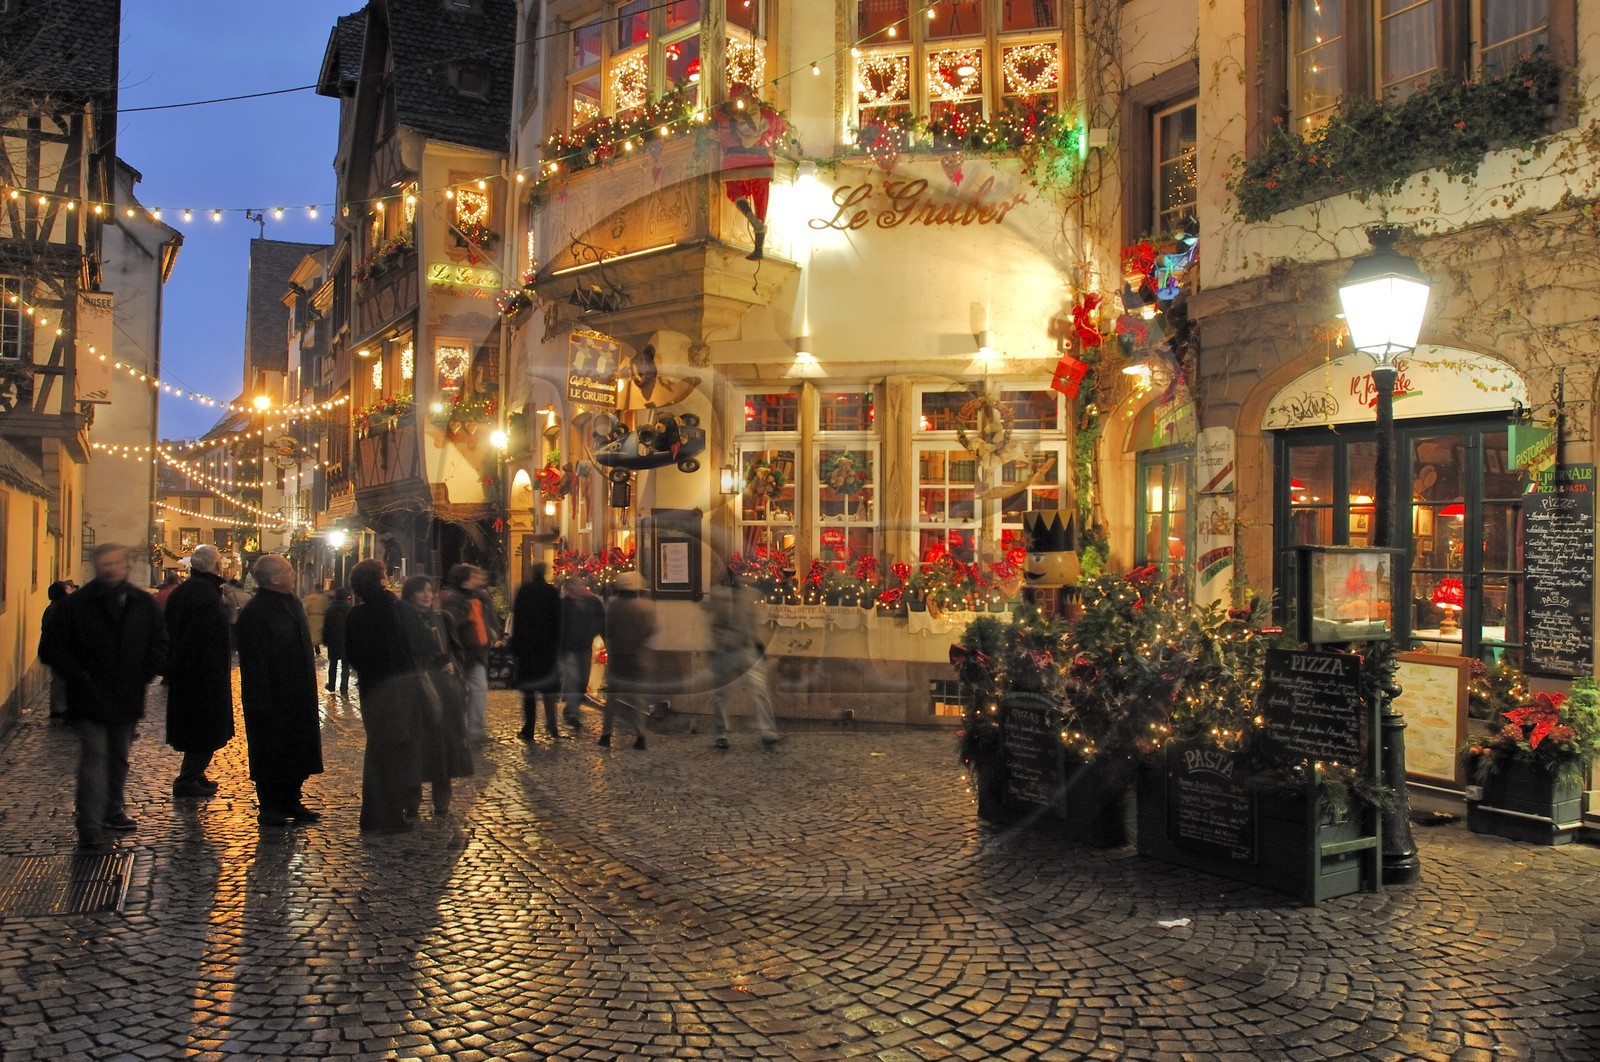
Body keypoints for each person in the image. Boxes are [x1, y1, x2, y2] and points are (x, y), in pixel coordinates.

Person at [38, 544, 168, 850]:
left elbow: (159, 641)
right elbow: (51, 648)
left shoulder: (140, 603)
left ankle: (112, 810)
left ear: (125, 565)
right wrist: (78, 675)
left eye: (115, 563)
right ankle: (89, 823)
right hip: (88, 696)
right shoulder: (76, 605)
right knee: (95, 756)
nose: (110, 568)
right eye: (105, 563)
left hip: (126, 694)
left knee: (119, 756)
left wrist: (144, 673)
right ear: (97, 567)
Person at [235, 554, 324, 827]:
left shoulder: (293, 603)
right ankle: (271, 806)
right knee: (272, 752)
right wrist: (261, 701)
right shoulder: (256, 613)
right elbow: (255, 662)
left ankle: (291, 800)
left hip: (298, 693)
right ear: (274, 579)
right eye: (288, 571)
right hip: (273, 696)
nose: (293, 574)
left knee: (297, 749)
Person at [344, 559, 423, 833]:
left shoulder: (355, 615)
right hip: (401, 688)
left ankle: (372, 816)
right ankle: (391, 817)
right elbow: (420, 644)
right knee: (398, 752)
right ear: (381, 581)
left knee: (377, 751)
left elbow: (352, 655)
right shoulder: (397, 609)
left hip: (372, 690)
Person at [162, 544, 235, 798]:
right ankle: (188, 778)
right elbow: (198, 637)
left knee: (198, 728)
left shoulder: (186, 590)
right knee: (204, 729)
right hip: (202, 675)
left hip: (192, 672)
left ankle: (195, 773)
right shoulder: (205, 594)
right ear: (217, 566)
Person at [398, 574, 473, 814]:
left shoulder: (443, 618)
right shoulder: (402, 620)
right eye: (421, 591)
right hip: (416, 688)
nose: (427, 595)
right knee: (416, 746)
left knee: (443, 745)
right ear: (411, 595)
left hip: (443, 690)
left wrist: (454, 665)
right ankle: (411, 798)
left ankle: (442, 796)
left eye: (430, 591)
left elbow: (457, 651)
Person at [710, 569, 781, 749]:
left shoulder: (747, 594)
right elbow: (715, 625)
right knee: (722, 694)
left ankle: (767, 731)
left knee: (759, 691)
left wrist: (756, 643)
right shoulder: (720, 597)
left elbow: (751, 620)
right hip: (727, 650)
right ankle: (721, 734)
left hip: (747, 648)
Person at [440, 564, 501, 742]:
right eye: (473, 576)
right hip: (462, 653)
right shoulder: (454, 600)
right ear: (464, 580)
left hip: (478, 652)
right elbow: (453, 624)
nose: (478, 579)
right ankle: (457, 732)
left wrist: (492, 632)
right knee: (459, 693)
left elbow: (488, 618)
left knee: (479, 690)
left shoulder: (481, 597)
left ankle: (475, 731)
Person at [600, 570, 655, 750]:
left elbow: (608, 631)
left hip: (618, 657)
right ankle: (640, 736)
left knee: (612, 698)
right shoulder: (646, 606)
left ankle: (606, 734)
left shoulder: (614, 606)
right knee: (637, 698)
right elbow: (651, 631)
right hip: (638, 657)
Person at [508, 563, 562, 741]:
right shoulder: (552, 592)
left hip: (528, 649)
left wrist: (515, 647)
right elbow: (558, 621)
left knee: (529, 692)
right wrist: (557, 644)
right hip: (547, 648)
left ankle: (529, 728)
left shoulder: (525, 591)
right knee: (548, 690)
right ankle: (552, 726)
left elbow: (518, 620)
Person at [558, 576, 606, 731]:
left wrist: (601, 637)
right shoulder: (564, 604)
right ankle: (572, 712)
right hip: (569, 648)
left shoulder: (592, 602)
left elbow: (602, 622)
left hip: (585, 647)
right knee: (574, 678)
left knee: (583, 680)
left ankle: (572, 707)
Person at [41, 580, 73, 721]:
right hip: (60, 650)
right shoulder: (59, 609)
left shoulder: (53, 608)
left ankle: (59, 707)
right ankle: (59, 709)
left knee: (59, 679)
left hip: (57, 649)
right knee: (61, 680)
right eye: (66, 590)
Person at [323, 587, 353, 695]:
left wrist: (325, 639)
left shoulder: (330, 610)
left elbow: (326, 626)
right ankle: (344, 687)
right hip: (347, 641)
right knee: (345, 665)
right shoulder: (350, 610)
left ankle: (331, 685)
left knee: (333, 664)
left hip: (333, 640)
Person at [302, 582, 329, 657]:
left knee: (312, 635)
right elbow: (327, 608)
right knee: (318, 634)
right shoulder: (324, 599)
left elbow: (304, 608)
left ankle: (312, 650)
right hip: (321, 618)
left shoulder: (309, 598)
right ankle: (317, 649)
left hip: (311, 618)